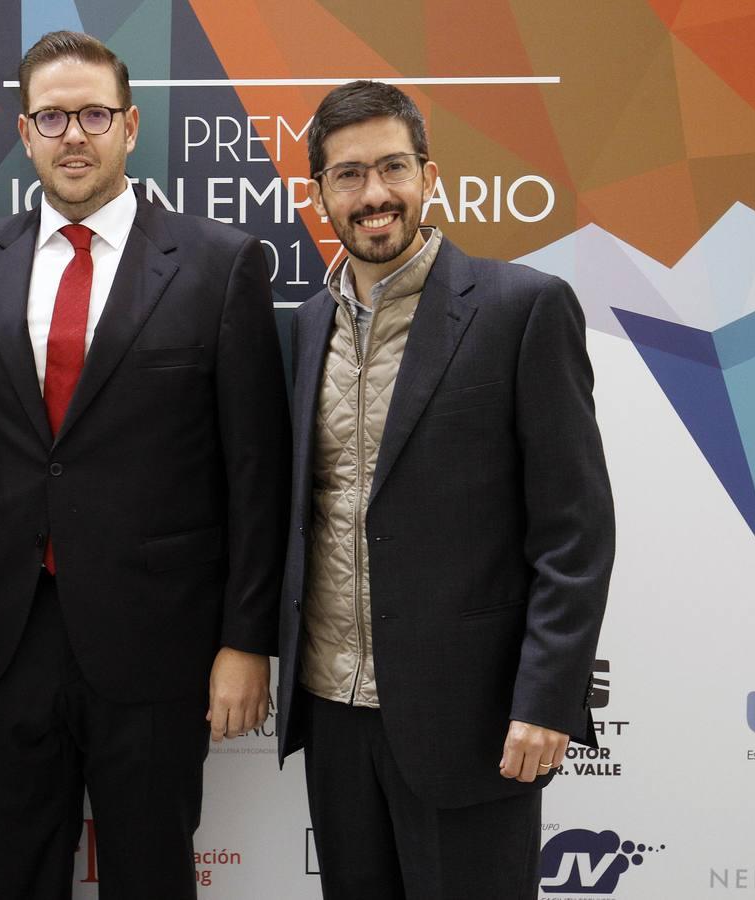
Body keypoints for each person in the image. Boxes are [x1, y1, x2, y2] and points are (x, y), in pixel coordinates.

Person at [0, 30, 289, 900]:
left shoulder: (218, 262)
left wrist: (246, 639)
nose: (72, 134)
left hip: (158, 640)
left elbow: (256, 472)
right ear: (24, 131)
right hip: (4, 635)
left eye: (92, 114)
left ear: (129, 125)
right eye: (52, 116)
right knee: (18, 875)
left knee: (152, 875)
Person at [275, 80, 614, 899]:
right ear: (319, 192)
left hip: (477, 721)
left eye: (393, 167)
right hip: (335, 711)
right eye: (349, 175)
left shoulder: (521, 309)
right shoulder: (295, 329)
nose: (375, 194)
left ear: (429, 175)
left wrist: (546, 699)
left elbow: (574, 532)